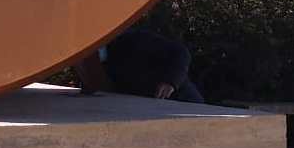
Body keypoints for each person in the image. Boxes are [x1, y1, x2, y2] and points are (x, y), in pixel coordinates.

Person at [77, 28, 205, 103]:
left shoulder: (133, 40)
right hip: (151, 109)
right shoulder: (100, 64)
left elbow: (180, 52)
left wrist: (170, 82)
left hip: (183, 101)